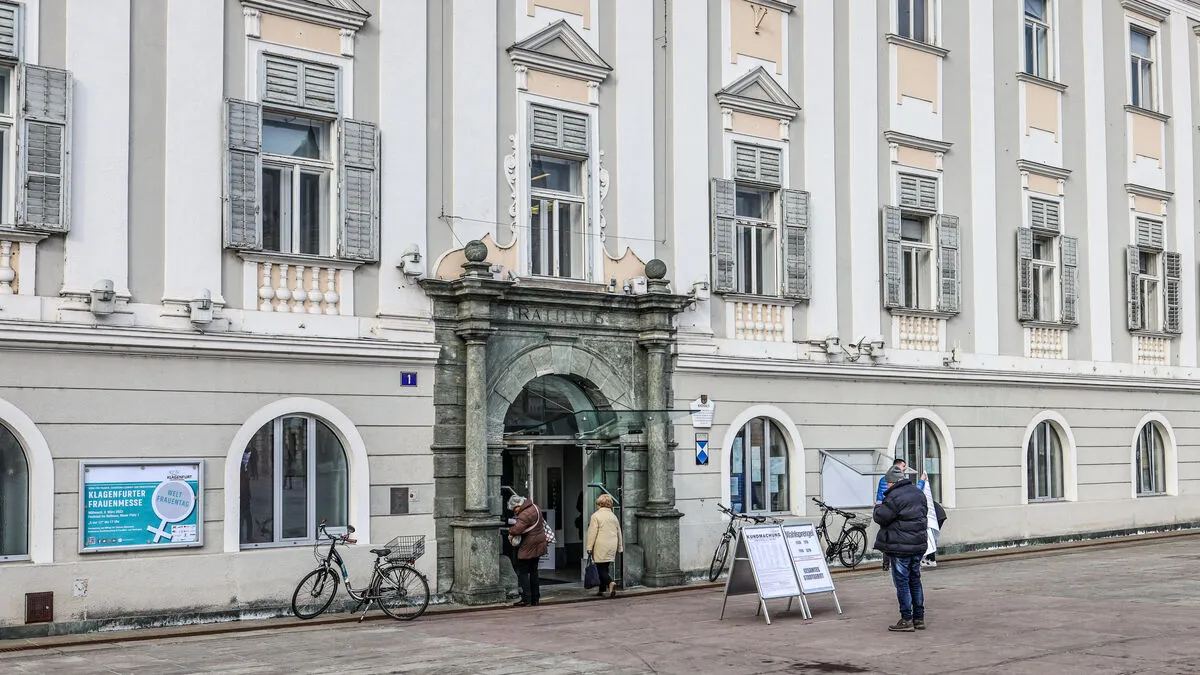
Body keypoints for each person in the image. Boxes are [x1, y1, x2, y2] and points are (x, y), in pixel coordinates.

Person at [874, 465, 929, 632]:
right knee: (915, 579)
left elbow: (882, 517)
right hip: (918, 544)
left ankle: (906, 619)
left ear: (891, 482)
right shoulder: (918, 493)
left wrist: (877, 507)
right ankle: (919, 618)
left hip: (900, 546)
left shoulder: (894, 496)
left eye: (888, 483)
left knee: (902, 582)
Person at [506, 494, 548, 607]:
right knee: (534, 571)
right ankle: (535, 598)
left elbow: (517, 529)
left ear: (518, 505)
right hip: (539, 544)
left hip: (528, 545)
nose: (515, 511)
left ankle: (526, 598)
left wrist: (510, 530)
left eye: (515, 509)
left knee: (523, 572)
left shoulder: (524, 514)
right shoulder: (535, 507)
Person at [585, 493, 624, 598]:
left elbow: (592, 533)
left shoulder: (596, 516)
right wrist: (620, 547)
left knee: (600, 568)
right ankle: (602, 589)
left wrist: (589, 547)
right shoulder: (613, 516)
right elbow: (619, 532)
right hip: (612, 544)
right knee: (605, 567)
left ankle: (610, 582)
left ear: (599, 504)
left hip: (600, 545)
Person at [919, 472, 940, 567]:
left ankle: (931, 559)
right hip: (934, 516)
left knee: (930, 537)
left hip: (936, 516)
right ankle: (928, 558)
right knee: (930, 537)